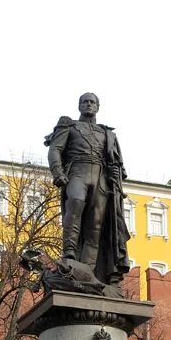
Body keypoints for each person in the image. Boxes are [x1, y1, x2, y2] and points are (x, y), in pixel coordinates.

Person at [45, 92, 131, 294]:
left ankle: (88, 269)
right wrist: (57, 172)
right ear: (79, 106)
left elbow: (115, 162)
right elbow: (54, 149)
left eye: (92, 102)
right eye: (85, 102)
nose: (88, 105)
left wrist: (116, 175)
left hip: (100, 178)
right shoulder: (70, 126)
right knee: (74, 203)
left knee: (96, 224)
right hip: (77, 171)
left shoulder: (106, 133)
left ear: (98, 106)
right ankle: (69, 254)